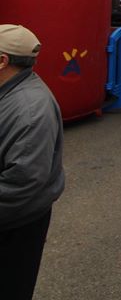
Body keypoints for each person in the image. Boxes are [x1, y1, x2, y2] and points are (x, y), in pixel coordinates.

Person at [0, 25, 65, 300]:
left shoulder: (30, 110)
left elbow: (22, 184)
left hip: (14, 225)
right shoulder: (9, 89)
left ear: (3, 61)